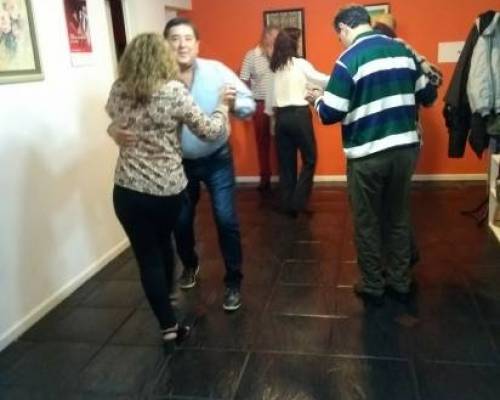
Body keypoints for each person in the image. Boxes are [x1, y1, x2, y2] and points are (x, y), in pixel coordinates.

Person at [307, 5, 437, 303]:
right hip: (405, 151)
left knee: (367, 221)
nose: (340, 40)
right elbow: (428, 95)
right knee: (398, 216)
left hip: (367, 154)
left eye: (338, 35)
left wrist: (316, 100)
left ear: (343, 28)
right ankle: (400, 280)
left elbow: (330, 113)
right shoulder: (403, 51)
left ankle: (373, 284)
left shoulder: (348, 60)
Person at [106, 33, 231, 342]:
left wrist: (113, 130)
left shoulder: (119, 88)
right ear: (163, 58)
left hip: (126, 191)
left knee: (146, 256)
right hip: (165, 191)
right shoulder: (173, 91)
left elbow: (113, 118)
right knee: (163, 245)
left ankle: (168, 325)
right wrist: (222, 107)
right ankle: (169, 303)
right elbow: (210, 131)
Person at [266, 27, 329, 218]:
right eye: (299, 41)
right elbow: (323, 80)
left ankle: (288, 205)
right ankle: (299, 201)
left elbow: (270, 100)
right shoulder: (300, 64)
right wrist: (343, 78)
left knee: (286, 164)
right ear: (293, 44)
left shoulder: (274, 67)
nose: (300, 44)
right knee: (310, 159)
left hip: (281, 118)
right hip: (299, 116)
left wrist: (272, 121)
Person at [239, 26, 279, 193]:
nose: (276, 40)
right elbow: (243, 80)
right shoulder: (251, 55)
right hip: (260, 104)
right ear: (266, 36)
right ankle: (265, 179)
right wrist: (247, 103)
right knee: (262, 143)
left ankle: (286, 179)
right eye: (274, 36)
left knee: (282, 143)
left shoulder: (280, 55)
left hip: (279, 105)